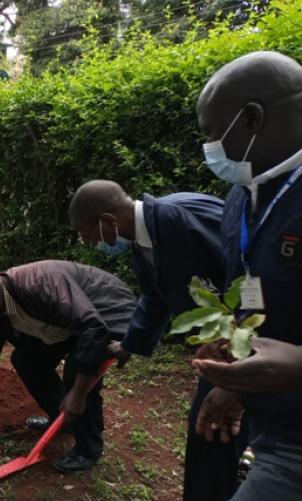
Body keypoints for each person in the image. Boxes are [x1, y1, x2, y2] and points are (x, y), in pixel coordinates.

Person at [69, 180, 245, 500]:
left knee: (211, 429)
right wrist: (130, 344)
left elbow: (248, 274)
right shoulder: (144, 239)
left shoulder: (175, 219)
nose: (88, 243)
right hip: (225, 343)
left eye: (88, 235)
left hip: (248, 342)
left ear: (108, 221)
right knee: (219, 432)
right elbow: (154, 298)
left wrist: (237, 363)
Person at [195, 50, 302, 500]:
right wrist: (233, 382)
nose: (208, 149)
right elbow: (249, 292)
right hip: (276, 428)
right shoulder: (240, 197)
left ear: (252, 119)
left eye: (212, 134)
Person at [0, 260, 136, 472]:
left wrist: (77, 395)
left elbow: (93, 327)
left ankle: (87, 450)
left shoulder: (39, 288)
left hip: (104, 314)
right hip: (65, 324)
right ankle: (62, 421)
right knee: (26, 360)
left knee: (78, 373)